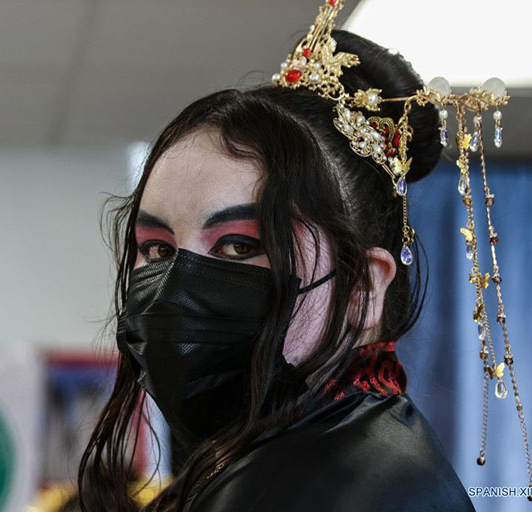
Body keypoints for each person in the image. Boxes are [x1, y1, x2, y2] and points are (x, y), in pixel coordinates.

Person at [77, 27, 476, 512]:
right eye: (159, 250)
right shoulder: (326, 453)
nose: (170, 294)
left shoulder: (324, 487)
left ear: (362, 288)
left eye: (239, 246)